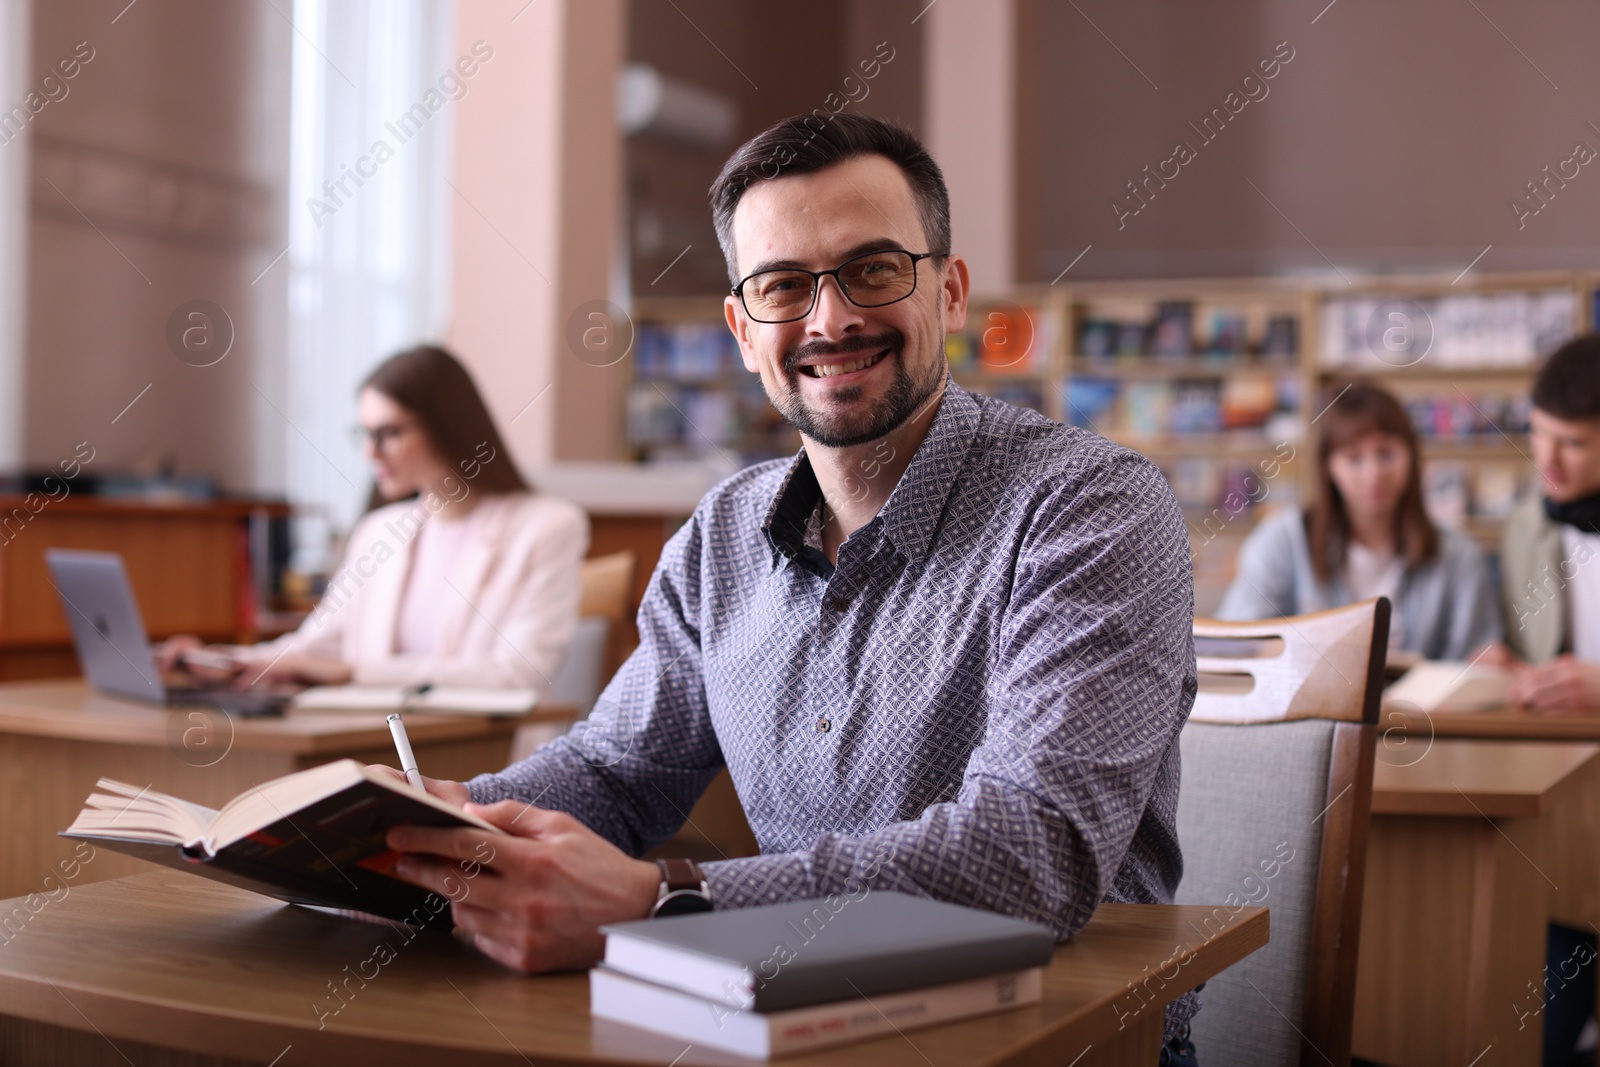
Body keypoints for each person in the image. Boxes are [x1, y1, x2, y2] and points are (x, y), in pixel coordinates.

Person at [377, 115, 1202, 1063]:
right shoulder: (721, 537)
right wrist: (438, 823)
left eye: (875, 269)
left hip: (1061, 1033)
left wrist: (669, 899)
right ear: (741, 327)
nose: (831, 320)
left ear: (952, 289)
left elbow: (1034, 852)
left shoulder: (1092, 506)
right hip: (786, 1024)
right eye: (783, 287)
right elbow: (613, 770)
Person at [160, 345, 587, 691]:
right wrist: (222, 662)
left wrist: (355, 672)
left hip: (484, 764)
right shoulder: (379, 532)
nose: (370, 452)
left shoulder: (548, 527)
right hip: (374, 753)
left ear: (448, 425)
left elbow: (518, 673)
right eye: (365, 434)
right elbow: (314, 647)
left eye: (388, 433)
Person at [1217, 381, 1501, 660]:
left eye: (1386, 453)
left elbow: (1476, 659)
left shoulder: (1458, 555)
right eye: (1354, 458)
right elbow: (1233, 640)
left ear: (1412, 457)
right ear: (1328, 466)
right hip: (1311, 705)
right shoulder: (1283, 540)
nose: (1373, 473)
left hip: (1419, 708)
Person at [1488, 333, 1600, 712]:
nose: (1547, 460)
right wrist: (1510, 670)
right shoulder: (1524, 526)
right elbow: (1527, 654)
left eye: (1572, 443)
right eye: (1538, 432)